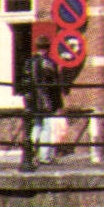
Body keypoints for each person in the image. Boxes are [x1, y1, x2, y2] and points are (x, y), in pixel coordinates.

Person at [24, 36, 65, 164]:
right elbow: (54, 86)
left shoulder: (28, 63)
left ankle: (29, 152)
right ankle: (44, 156)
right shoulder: (48, 63)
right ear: (48, 48)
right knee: (47, 127)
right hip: (45, 101)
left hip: (32, 101)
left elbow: (25, 82)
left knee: (36, 125)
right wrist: (58, 104)